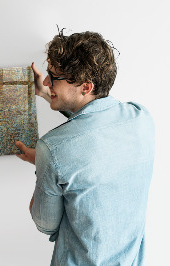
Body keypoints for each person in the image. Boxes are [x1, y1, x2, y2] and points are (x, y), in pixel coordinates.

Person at [15, 30, 155, 265]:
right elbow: (95, 124)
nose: (47, 81)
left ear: (86, 87)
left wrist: (43, 163)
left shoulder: (52, 149)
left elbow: (44, 224)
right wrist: (47, 94)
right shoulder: (141, 118)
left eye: (54, 77)